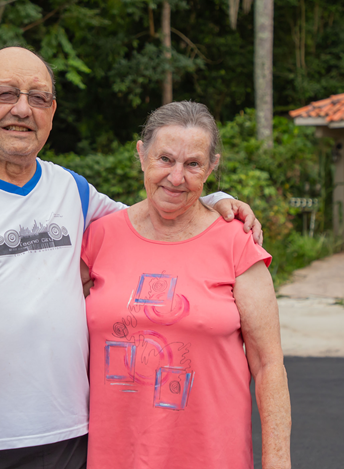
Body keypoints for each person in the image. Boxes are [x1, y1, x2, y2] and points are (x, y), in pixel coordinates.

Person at [0, 46, 263, 469]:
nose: (22, 109)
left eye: (38, 97)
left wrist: (213, 199)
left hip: (71, 443)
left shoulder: (72, 192)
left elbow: (156, 220)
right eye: (6, 93)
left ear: (52, 111)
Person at [80, 101, 291, 469]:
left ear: (211, 167)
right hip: (112, 457)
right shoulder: (99, 237)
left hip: (211, 456)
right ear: (141, 155)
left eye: (192, 164)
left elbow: (268, 364)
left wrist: (277, 462)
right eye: (165, 159)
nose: (176, 178)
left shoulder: (237, 244)